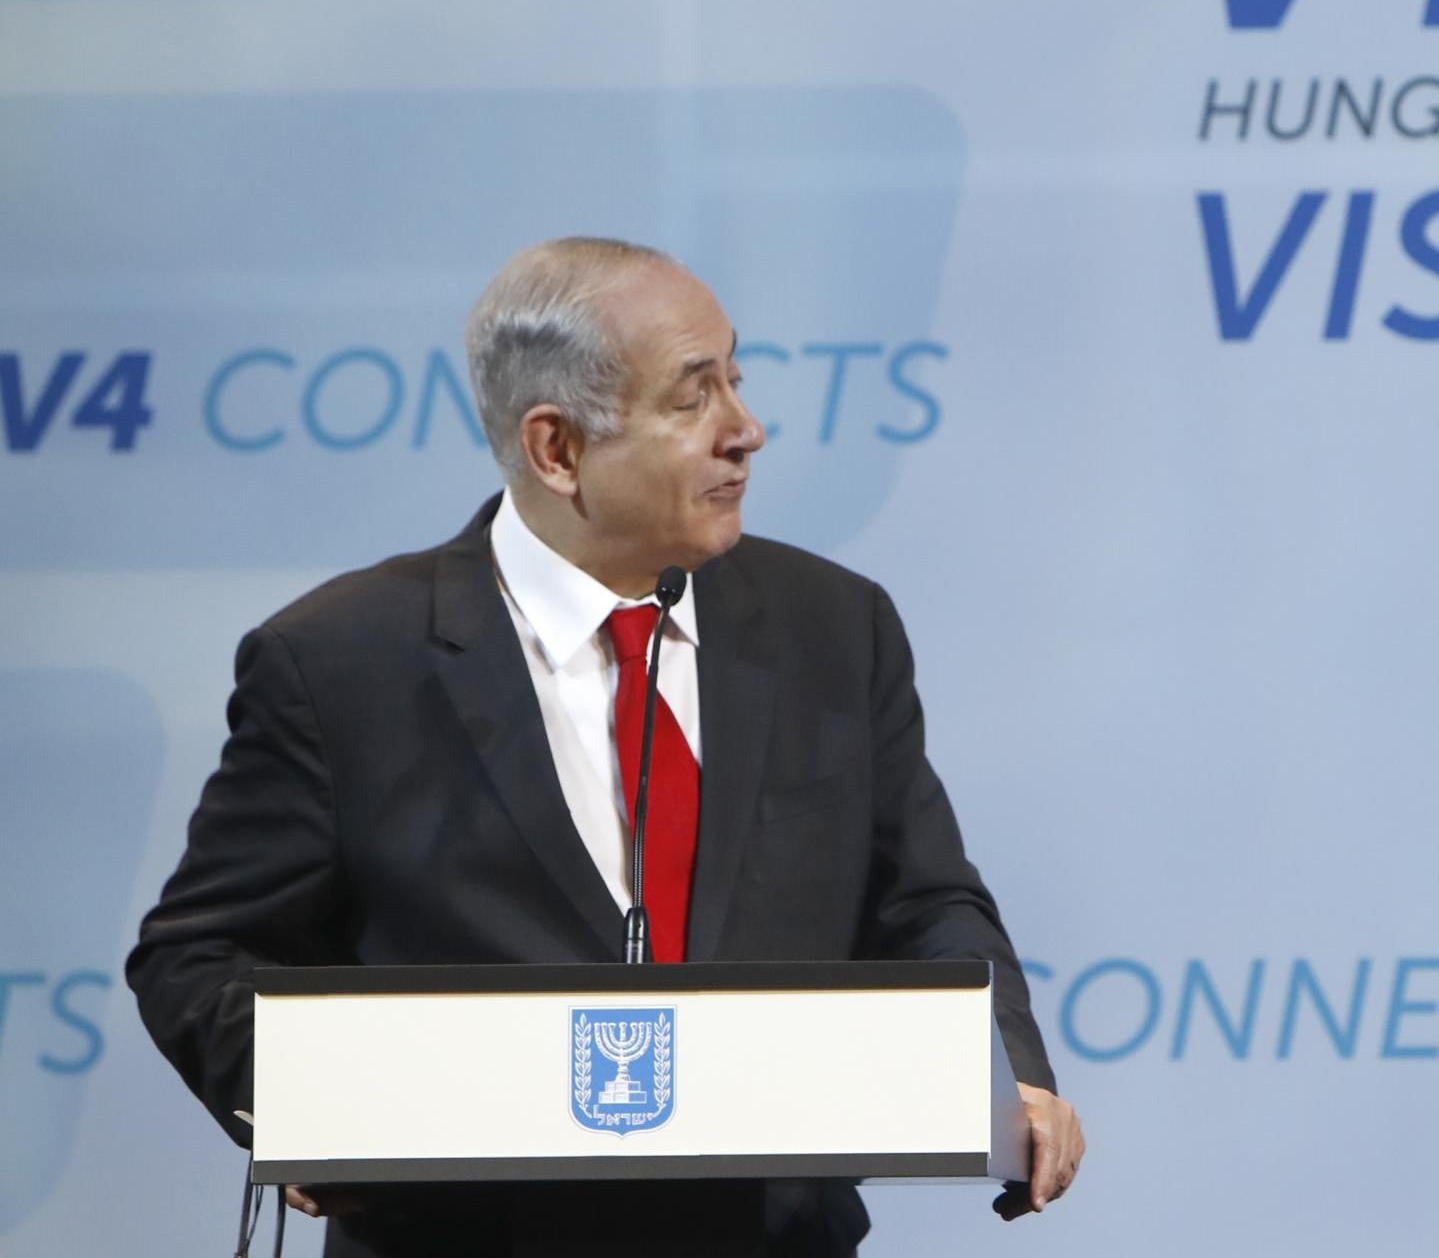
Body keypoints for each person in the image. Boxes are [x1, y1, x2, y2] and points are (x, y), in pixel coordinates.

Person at [127, 238, 1083, 1257]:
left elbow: (924, 897)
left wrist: (1009, 1069)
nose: (746, 430)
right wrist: (310, 1108)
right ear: (558, 449)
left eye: (736, 380)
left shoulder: (832, 628)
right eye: (692, 397)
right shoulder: (340, 660)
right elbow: (198, 955)